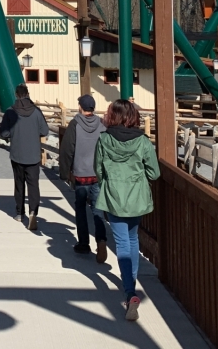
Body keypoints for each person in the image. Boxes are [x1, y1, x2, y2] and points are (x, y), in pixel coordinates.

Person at [95, 100, 160, 322]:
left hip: (114, 194)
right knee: (132, 240)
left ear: (113, 116)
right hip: (136, 195)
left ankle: (130, 291)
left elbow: (99, 169)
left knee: (122, 242)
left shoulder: (104, 139)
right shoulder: (142, 141)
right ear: (132, 116)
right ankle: (130, 285)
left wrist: (109, 183)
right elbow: (154, 173)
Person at [58, 94, 108, 262]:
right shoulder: (101, 125)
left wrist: (65, 172)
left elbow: (67, 150)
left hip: (80, 175)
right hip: (97, 175)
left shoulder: (75, 125)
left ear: (81, 107)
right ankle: (101, 240)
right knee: (97, 210)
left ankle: (84, 244)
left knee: (80, 210)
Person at [0, 83, 50, 231]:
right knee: (33, 186)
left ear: (16, 95)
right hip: (34, 155)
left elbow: (4, 133)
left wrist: (13, 134)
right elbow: (45, 131)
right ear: (27, 94)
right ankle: (33, 212)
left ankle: (20, 213)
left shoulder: (10, 112)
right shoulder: (36, 111)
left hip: (17, 154)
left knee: (19, 184)